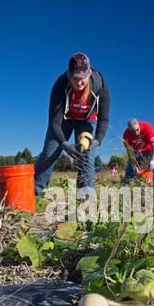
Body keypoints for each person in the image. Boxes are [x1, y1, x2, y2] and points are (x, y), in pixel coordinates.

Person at [34, 52, 110, 197]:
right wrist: (64, 144)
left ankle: (86, 196)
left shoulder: (99, 85)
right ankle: (36, 193)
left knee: (87, 155)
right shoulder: (60, 85)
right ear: (69, 74)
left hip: (87, 120)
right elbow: (54, 121)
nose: (79, 82)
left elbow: (104, 119)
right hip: (64, 119)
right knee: (50, 153)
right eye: (75, 77)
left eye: (82, 78)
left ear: (89, 73)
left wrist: (97, 141)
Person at [123, 119, 154, 183]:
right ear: (129, 130)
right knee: (130, 166)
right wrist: (134, 166)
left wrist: (152, 160)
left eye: (137, 130)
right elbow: (130, 152)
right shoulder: (126, 135)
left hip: (150, 148)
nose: (136, 132)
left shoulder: (147, 127)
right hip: (137, 150)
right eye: (133, 131)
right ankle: (128, 182)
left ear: (139, 125)